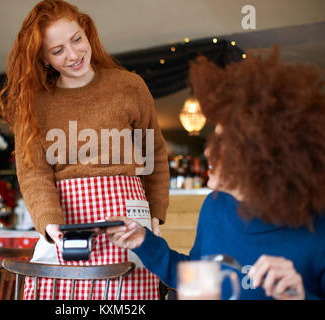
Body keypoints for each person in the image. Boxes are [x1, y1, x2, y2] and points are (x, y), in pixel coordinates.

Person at [105, 46, 325, 300]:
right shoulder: (215, 206)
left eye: (222, 145)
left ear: (264, 159)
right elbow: (199, 279)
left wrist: (299, 296)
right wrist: (144, 242)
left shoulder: (318, 226)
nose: (208, 153)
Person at [0, 0, 169, 299]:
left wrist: (155, 214)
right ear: (44, 59)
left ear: (87, 32)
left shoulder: (129, 86)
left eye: (76, 39)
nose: (74, 54)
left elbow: (152, 153)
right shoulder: (36, 102)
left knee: (128, 299)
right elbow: (34, 172)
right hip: (66, 221)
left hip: (129, 216)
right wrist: (50, 222)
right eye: (58, 50)